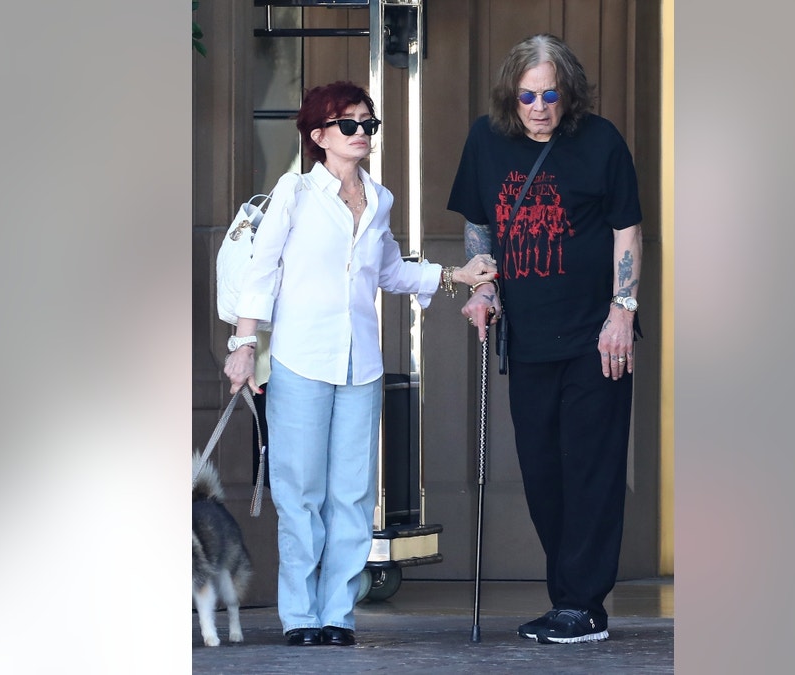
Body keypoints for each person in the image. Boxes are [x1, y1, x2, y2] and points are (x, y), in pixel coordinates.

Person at [224, 81, 496, 648]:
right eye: (350, 125)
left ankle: (337, 614)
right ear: (319, 136)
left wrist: (453, 276)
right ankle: (300, 614)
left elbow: (390, 271)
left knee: (351, 493)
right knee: (299, 492)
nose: (362, 134)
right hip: (301, 358)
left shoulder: (380, 199)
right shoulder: (294, 192)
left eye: (369, 125)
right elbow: (262, 272)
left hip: (360, 365)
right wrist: (243, 346)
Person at [448, 34, 643, 645]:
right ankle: (568, 600)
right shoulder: (487, 139)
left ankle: (584, 605)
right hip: (528, 339)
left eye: (550, 93)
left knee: (591, 471)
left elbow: (626, 231)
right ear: (512, 94)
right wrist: (483, 290)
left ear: (570, 92)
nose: (538, 106)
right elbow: (479, 221)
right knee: (542, 473)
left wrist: (622, 312)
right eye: (527, 95)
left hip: (595, 339)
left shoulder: (601, 141)